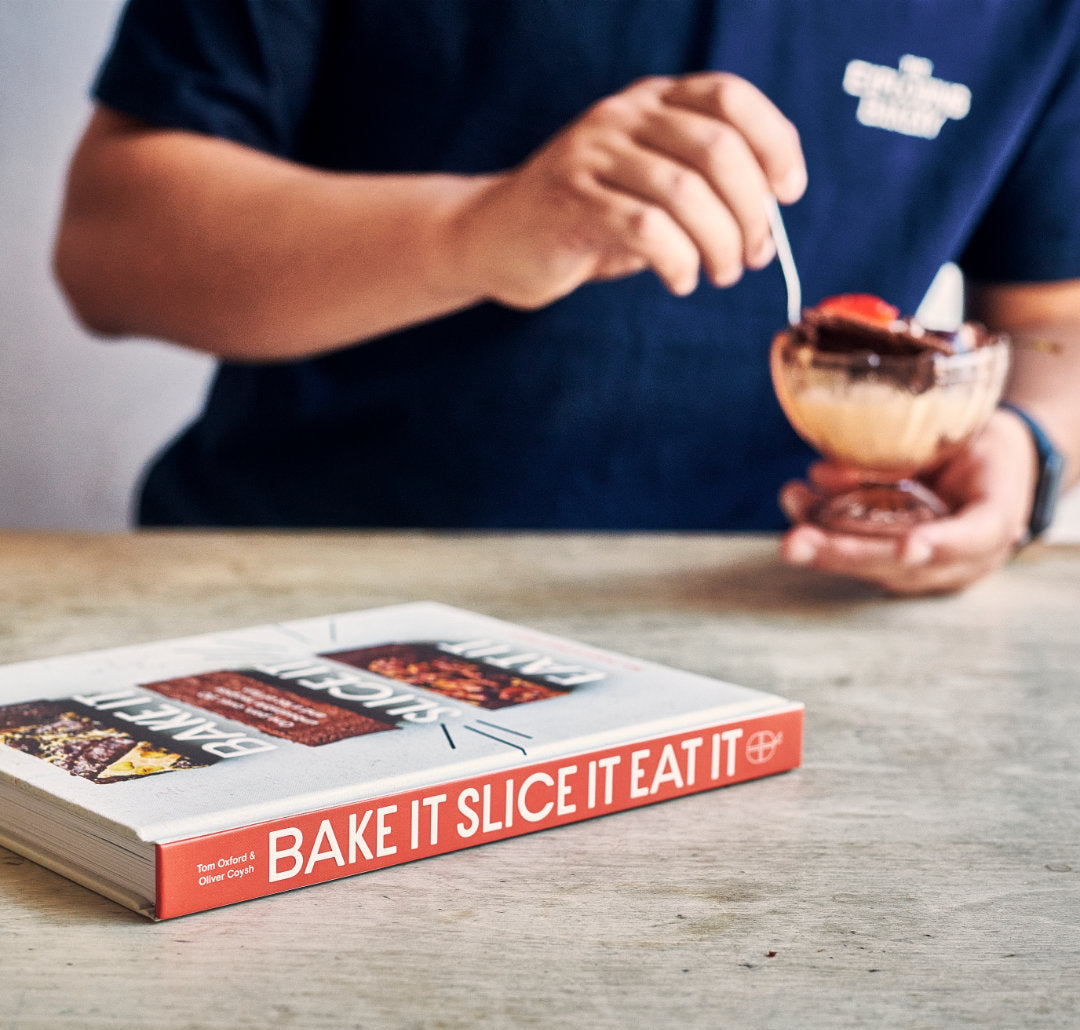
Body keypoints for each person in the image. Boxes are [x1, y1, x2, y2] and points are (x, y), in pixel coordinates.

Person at [53, 1, 1079, 596]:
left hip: (780, 613)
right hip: (289, 588)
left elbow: (1052, 320)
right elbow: (112, 245)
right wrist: (477, 232)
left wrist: (1028, 446)